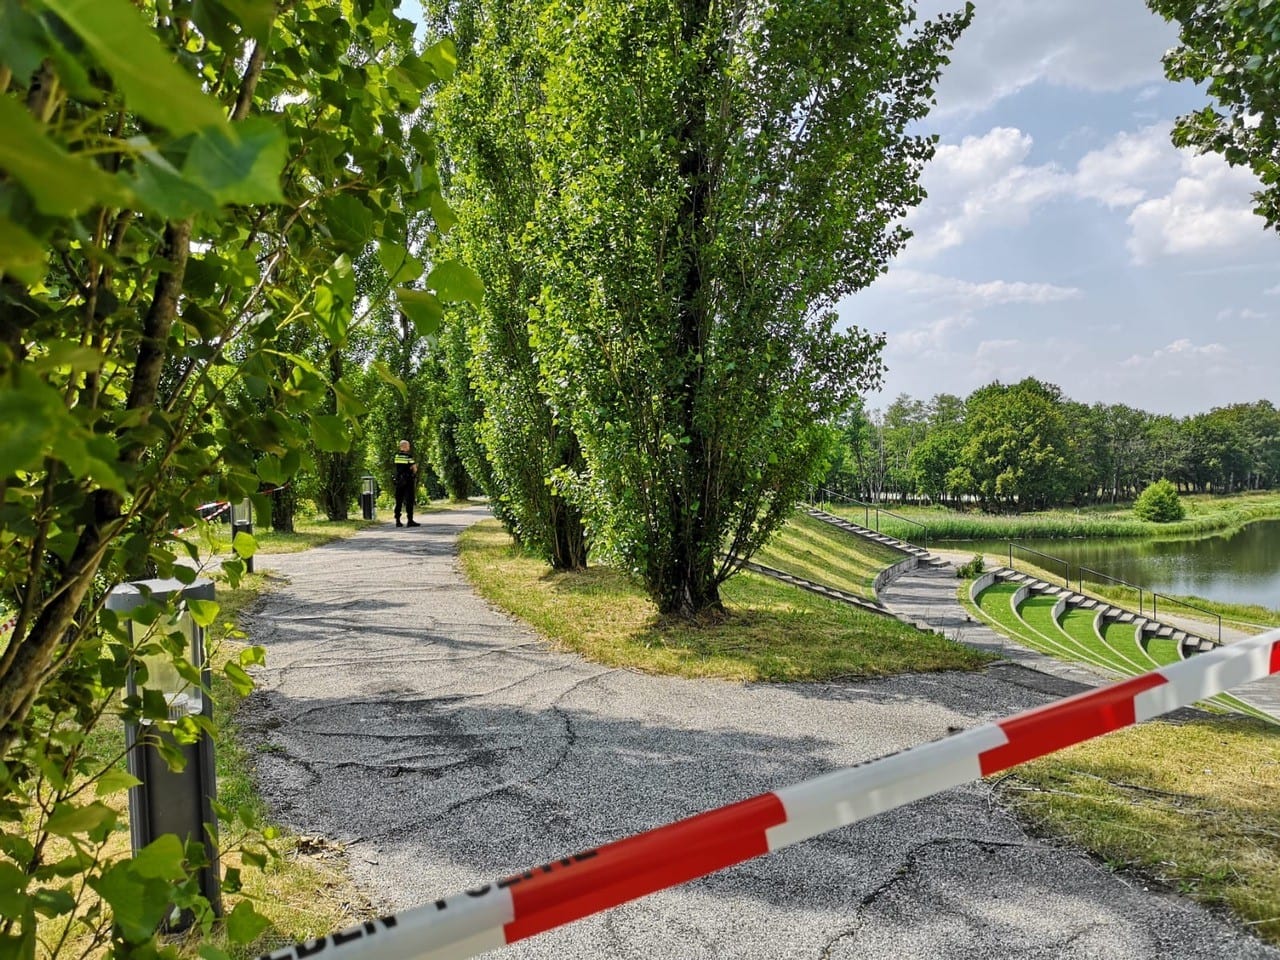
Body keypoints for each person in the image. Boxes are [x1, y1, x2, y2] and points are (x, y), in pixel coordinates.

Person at [393, 439, 420, 527]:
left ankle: (397, 520)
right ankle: (410, 520)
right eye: (408, 446)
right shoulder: (409, 457)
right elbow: (414, 468)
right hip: (408, 481)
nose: (409, 447)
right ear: (405, 447)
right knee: (409, 500)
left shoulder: (396, 456)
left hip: (399, 481)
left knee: (399, 500)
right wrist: (413, 472)